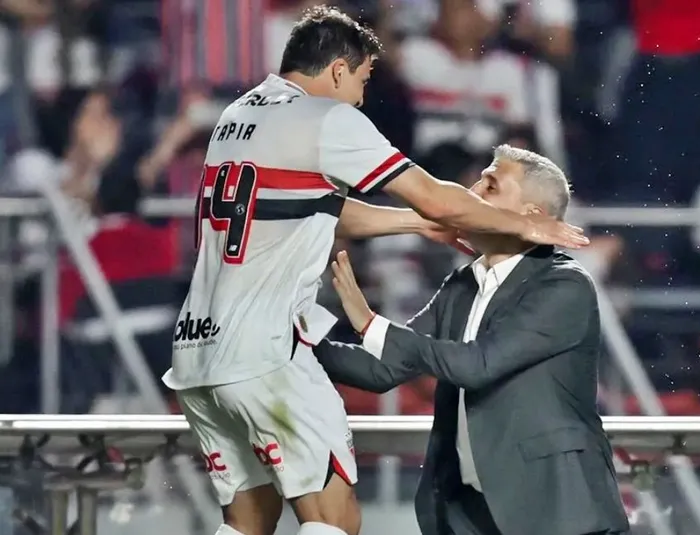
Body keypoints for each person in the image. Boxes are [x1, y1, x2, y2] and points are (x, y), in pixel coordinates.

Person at [162, 7, 588, 535]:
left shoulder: (237, 115)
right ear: (338, 70)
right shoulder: (326, 117)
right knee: (334, 519)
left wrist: (415, 224)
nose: (363, 99)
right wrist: (525, 224)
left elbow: (311, 207)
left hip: (198, 352)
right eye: (363, 81)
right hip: (265, 351)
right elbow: (437, 196)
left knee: (249, 520)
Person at [316, 145, 628, 535]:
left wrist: (370, 323)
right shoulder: (463, 283)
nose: (470, 193)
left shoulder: (564, 285)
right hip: (470, 511)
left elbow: (478, 365)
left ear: (531, 216)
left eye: (490, 186)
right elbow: (383, 369)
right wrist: (294, 344)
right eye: (477, 181)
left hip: (555, 510)